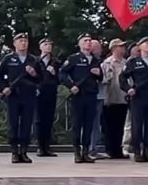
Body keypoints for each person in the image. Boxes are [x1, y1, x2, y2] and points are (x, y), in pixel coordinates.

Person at [0, 33, 42, 163]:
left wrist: (34, 74)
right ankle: (14, 151)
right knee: (13, 123)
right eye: (20, 41)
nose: (23, 43)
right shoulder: (8, 59)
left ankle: (24, 150)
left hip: (28, 95)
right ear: (15, 44)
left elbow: (41, 78)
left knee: (27, 124)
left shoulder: (34, 60)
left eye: (25, 41)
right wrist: (3, 88)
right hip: (14, 96)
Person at [120, 36, 148, 163]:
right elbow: (122, 78)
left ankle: (147, 151)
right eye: (147, 43)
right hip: (138, 97)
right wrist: (128, 89)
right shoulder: (133, 62)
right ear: (140, 47)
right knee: (137, 125)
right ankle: (137, 151)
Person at [60, 33, 102, 163]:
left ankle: (86, 151)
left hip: (91, 95)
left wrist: (99, 74)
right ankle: (77, 151)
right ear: (79, 44)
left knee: (89, 125)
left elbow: (101, 78)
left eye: (90, 41)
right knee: (77, 124)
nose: (88, 43)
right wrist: (70, 85)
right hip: (79, 95)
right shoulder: (74, 59)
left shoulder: (95, 60)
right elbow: (62, 73)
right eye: (85, 41)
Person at [101, 39, 129, 159]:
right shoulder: (106, 63)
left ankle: (118, 149)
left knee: (120, 125)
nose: (123, 49)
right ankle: (110, 149)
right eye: (120, 46)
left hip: (122, 97)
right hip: (110, 98)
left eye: (123, 46)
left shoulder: (126, 63)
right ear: (113, 48)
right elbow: (101, 79)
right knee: (109, 126)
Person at [35, 37, 60, 156]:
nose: (48, 46)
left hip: (51, 92)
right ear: (40, 47)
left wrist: (55, 74)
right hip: (39, 93)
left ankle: (47, 146)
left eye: (50, 44)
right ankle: (40, 146)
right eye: (45, 44)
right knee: (39, 120)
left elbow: (61, 78)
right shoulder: (36, 61)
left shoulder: (56, 62)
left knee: (49, 120)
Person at [87, 39, 107, 159]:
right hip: (93, 95)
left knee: (96, 124)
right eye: (98, 47)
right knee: (92, 124)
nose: (101, 50)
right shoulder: (91, 62)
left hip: (100, 96)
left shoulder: (99, 61)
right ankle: (90, 148)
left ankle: (93, 147)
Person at [121, 41, 140, 156]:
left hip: (140, 96)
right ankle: (127, 145)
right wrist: (128, 89)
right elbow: (124, 79)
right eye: (136, 50)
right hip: (129, 95)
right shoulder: (129, 63)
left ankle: (137, 144)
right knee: (129, 123)